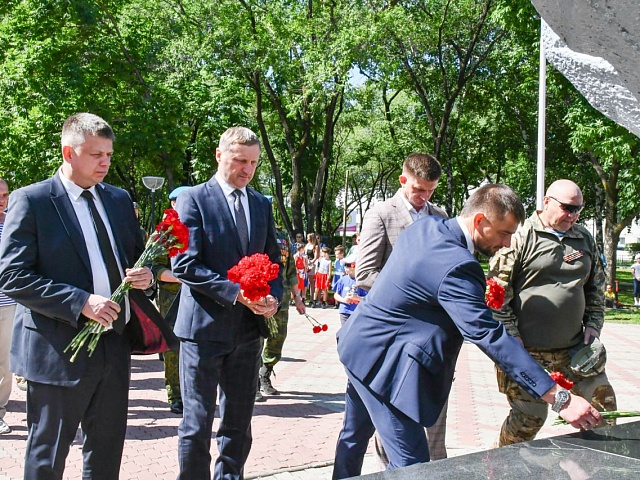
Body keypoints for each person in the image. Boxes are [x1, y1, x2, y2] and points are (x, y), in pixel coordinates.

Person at [336, 184, 602, 470]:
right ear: (479, 221)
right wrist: (560, 398)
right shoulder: (457, 266)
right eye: (504, 233)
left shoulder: (427, 227)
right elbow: (489, 335)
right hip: (384, 367)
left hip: (360, 344)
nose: (508, 243)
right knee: (411, 466)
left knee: (353, 438)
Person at [0, 113, 159, 478]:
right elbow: (12, 275)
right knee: (47, 457)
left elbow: (134, 257)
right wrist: (80, 302)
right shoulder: (33, 200)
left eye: (108, 154)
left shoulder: (118, 200)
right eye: (95, 155)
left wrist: (145, 276)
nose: (105, 162)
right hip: (57, 350)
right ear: (68, 153)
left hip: (114, 346)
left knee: (105, 455)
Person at [171, 126, 284, 480]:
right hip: (203, 329)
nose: (246, 170)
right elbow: (184, 264)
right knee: (197, 423)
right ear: (219, 156)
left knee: (238, 421)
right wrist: (236, 293)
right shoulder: (193, 198)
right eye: (239, 161)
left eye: (253, 163)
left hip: (248, 333)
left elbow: (272, 262)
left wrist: (272, 298)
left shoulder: (261, 204)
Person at [334, 153, 448, 478]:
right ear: (403, 180)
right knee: (357, 433)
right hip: (382, 339)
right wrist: (416, 289)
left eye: (430, 190)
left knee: (361, 427)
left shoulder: (439, 217)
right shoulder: (381, 213)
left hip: (420, 337)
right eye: (418, 189)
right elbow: (365, 273)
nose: (423, 196)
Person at [488, 179, 617, 447]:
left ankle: (594, 469)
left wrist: (594, 324)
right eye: (567, 208)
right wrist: (511, 337)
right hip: (528, 353)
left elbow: (596, 285)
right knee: (529, 418)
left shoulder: (583, 238)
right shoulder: (520, 235)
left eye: (578, 209)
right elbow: (497, 294)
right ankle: (497, 469)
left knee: (603, 409)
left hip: (575, 351)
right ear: (547, 202)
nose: (573, 215)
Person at [153, 186, 190, 415]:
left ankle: (192, 393)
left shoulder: (199, 227)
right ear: (174, 204)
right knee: (173, 349)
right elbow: (155, 268)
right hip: (172, 298)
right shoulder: (164, 233)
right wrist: (182, 279)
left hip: (196, 297)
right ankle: (175, 395)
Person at [259, 230, 306, 398]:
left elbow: (290, 271)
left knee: (278, 336)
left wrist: (298, 298)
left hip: (282, 298)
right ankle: (253, 383)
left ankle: (265, 372)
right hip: (258, 295)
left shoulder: (282, 236)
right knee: (256, 338)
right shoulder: (255, 230)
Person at [0, 178, 17, 435]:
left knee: (5, 362)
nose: (2, 201)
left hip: (8, 304)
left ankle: (0, 410)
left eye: (5, 195)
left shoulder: (12, 223)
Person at [305, 233, 319, 307]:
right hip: (306, 264)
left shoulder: (315, 246)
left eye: (308, 238)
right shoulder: (307, 245)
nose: (307, 239)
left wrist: (310, 262)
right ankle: (303, 298)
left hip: (312, 265)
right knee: (304, 281)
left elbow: (316, 257)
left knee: (311, 282)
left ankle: (312, 299)